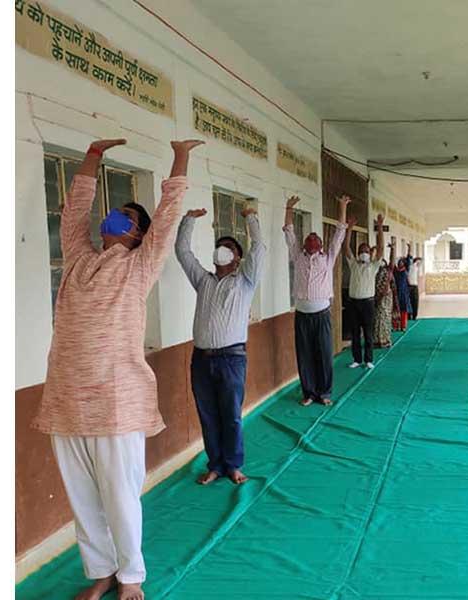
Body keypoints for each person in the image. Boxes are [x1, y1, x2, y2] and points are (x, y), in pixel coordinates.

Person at [32, 138, 203, 600]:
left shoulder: (140, 265)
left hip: (116, 401)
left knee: (120, 498)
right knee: (84, 500)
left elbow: (166, 219)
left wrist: (180, 157)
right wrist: (90, 157)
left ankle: (131, 577)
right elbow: (73, 215)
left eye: (125, 218)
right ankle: (101, 572)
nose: (113, 219)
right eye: (115, 214)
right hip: (66, 400)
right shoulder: (78, 260)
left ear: (138, 235)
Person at [175, 202, 265, 487]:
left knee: (231, 416)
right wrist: (188, 220)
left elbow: (259, 248)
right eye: (219, 245)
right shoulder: (203, 281)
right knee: (208, 414)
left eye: (228, 246)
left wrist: (250, 217)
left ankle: (234, 465)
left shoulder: (245, 281)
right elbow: (183, 252)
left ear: (237, 257)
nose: (221, 249)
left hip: (231, 359)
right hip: (201, 359)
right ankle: (215, 465)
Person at [284, 194, 350, 407]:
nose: (312, 239)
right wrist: (289, 208)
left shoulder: (328, 258)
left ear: (320, 245)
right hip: (302, 315)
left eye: (316, 238)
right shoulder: (297, 256)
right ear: (305, 244)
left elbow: (340, 232)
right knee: (305, 355)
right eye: (309, 238)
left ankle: (325, 392)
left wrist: (342, 206)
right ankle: (309, 393)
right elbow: (289, 232)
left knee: (323, 353)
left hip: (321, 314)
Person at [344, 213, 386, 369]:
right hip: (353, 303)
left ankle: (369, 360)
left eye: (366, 251)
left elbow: (381, 248)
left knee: (368, 333)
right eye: (361, 250)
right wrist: (349, 228)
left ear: (370, 254)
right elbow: (346, 247)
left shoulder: (373, 266)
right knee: (355, 333)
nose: (364, 252)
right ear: (358, 253)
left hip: (368, 303)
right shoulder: (353, 264)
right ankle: (357, 359)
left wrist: (380, 227)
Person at [373, 240, 397, 347]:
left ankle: (385, 340)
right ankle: (377, 340)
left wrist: (392, 249)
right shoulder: (374, 269)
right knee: (377, 318)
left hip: (386, 297)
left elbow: (392, 263)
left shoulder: (388, 270)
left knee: (385, 317)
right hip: (375, 296)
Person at [393, 251, 413, 331]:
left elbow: (408, 261)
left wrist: (409, 250)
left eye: (401, 262)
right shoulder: (396, 270)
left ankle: (403, 326)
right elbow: (392, 263)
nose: (400, 263)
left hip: (404, 292)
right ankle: (396, 326)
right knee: (396, 310)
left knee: (404, 310)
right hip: (396, 292)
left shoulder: (405, 270)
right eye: (399, 262)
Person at [406, 246, 422, 320]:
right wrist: (409, 248)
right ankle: (409, 315)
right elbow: (409, 257)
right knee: (408, 302)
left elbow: (420, 261)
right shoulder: (409, 266)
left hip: (414, 286)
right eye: (418, 261)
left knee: (415, 301)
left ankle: (414, 316)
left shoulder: (416, 267)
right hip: (408, 286)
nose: (419, 263)